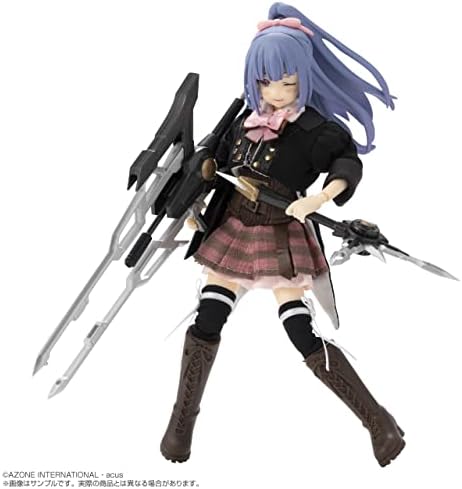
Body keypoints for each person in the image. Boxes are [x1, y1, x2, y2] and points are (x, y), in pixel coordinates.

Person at [160, 2, 405, 467]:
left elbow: (347, 163)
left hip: (280, 232)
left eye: (287, 82)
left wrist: (319, 198)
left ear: (303, 78)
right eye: (265, 81)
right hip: (232, 228)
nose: (274, 92)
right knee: (208, 317)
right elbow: (214, 168)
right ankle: (181, 421)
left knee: (298, 328)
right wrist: (194, 206)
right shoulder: (241, 122)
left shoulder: (315, 130)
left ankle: (378, 421)